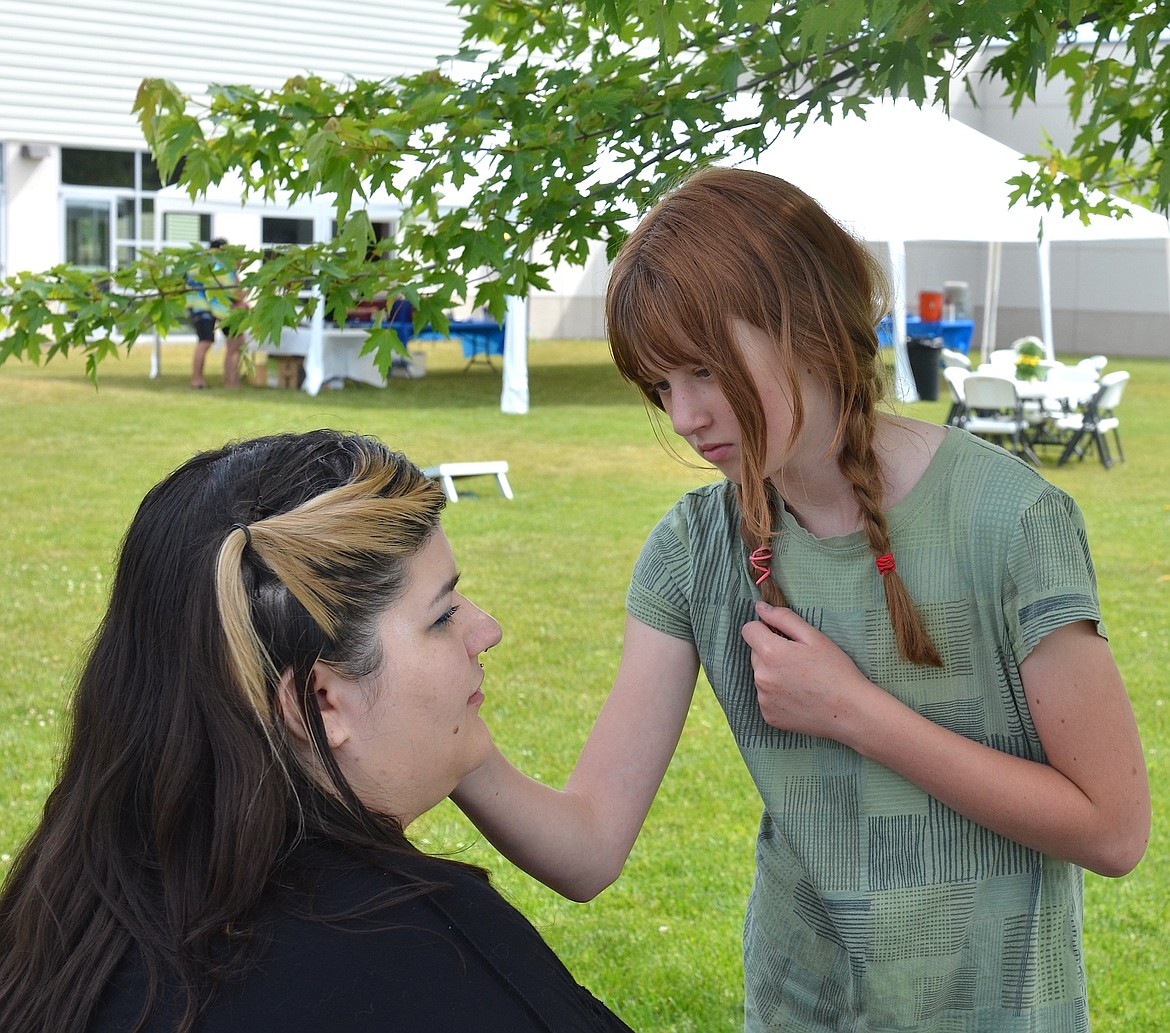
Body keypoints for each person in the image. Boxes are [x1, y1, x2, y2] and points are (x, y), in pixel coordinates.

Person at [452, 167, 1151, 1031]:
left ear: (808, 323)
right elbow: (589, 846)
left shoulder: (1011, 522)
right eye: (661, 386)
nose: (684, 415)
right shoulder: (692, 554)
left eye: (704, 370)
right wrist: (454, 746)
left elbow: (1112, 829)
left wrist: (856, 710)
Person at [0, 430, 634, 1033]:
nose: (486, 629)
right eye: (443, 616)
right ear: (320, 703)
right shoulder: (424, 960)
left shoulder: (67, 919)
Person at [186, 237, 246, 389]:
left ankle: (224, 380)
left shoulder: (198, 263)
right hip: (207, 307)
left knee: (226, 343)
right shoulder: (219, 266)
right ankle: (201, 380)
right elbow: (234, 292)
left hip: (211, 308)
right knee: (207, 342)